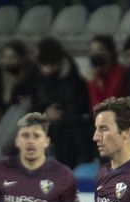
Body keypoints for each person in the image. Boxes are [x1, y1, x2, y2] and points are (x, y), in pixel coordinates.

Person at [31, 37, 92, 169]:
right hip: (46, 118)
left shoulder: (73, 79)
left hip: (70, 121)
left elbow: (76, 106)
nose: (45, 69)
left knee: (64, 128)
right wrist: (45, 113)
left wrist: (58, 113)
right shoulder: (37, 76)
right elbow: (35, 103)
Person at [87, 35, 128, 110]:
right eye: (92, 50)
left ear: (111, 52)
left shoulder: (120, 72)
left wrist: (94, 83)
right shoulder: (95, 74)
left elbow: (109, 105)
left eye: (100, 49)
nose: (95, 53)